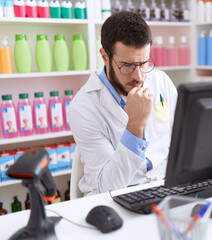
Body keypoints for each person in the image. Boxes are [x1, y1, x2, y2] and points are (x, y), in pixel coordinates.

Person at [68, 11, 178, 196]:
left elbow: (181, 139)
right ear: (105, 57)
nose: (139, 77)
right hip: (116, 197)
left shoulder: (161, 81)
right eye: (127, 65)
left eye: (143, 63)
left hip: (162, 186)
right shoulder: (83, 109)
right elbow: (108, 187)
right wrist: (135, 125)